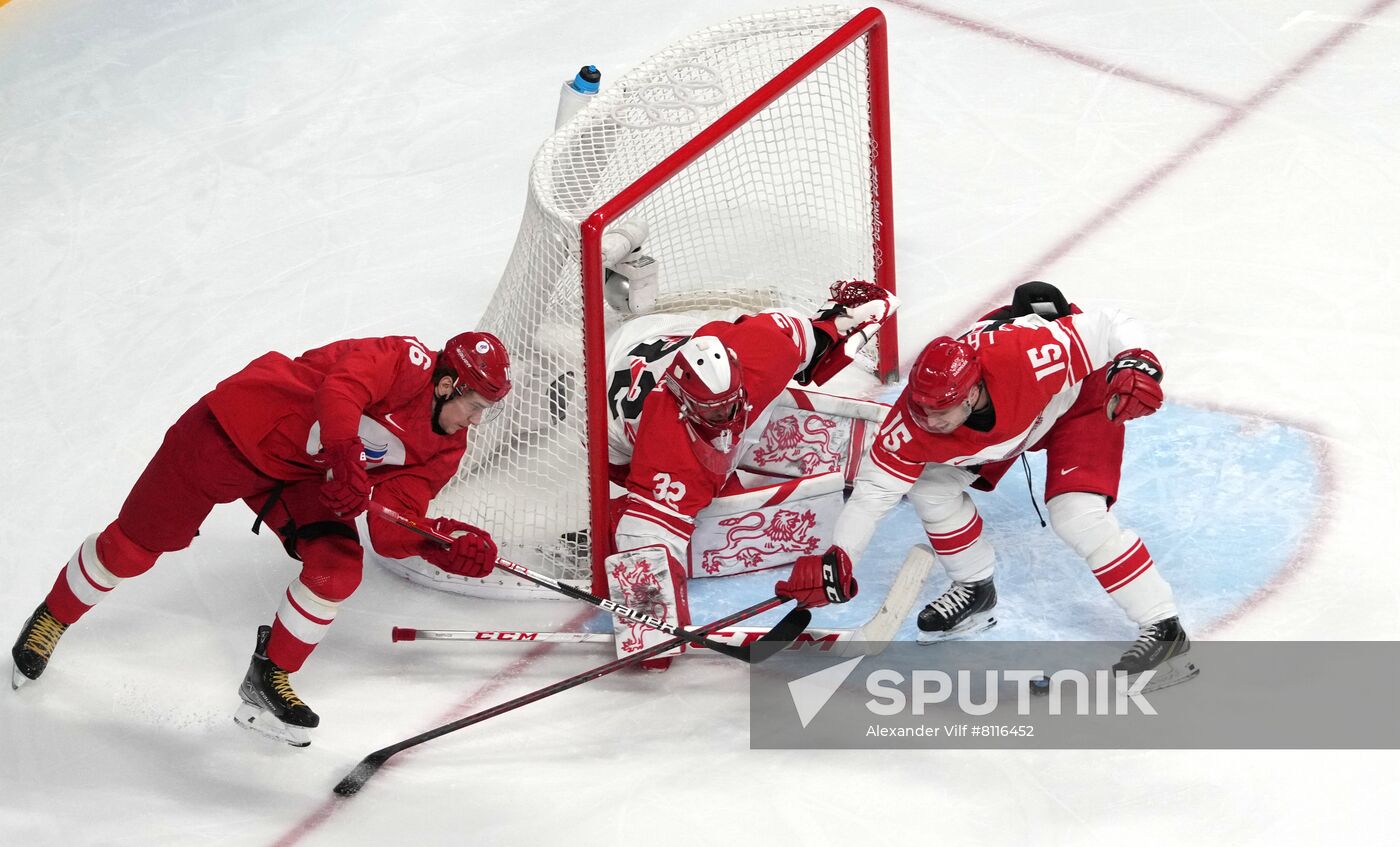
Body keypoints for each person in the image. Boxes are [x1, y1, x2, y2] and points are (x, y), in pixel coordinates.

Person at [9, 331, 512, 746]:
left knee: (336, 568)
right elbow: (341, 389)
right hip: (234, 433)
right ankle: (52, 616)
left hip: (305, 477)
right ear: (446, 384)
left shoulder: (445, 448)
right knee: (132, 549)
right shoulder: (406, 360)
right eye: (474, 405)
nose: (475, 420)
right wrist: (343, 453)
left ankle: (268, 678)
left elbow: (390, 526)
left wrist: (437, 543)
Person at [804, 281, 1196, 689]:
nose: (929, 421)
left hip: (1076, 402)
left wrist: (1136, 360)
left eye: (940, 411)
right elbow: (871, 496)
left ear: (971, 392)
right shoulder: (914, 419)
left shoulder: (1029, 355)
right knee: (929, 486)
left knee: (1076, 516)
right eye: (921, 408)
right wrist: (840, 556)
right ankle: (975, 590)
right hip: (1014, 421)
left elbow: (1112, 321)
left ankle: (1164, 630)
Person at [601, 280, 896, 668]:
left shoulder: (769, 345)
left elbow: (819, 333)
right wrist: (653, 630)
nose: (725, 420)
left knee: (749, 416)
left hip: (663, 334)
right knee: (684, 506)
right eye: (713, 414)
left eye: (729, 408)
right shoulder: (666, 448)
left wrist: (845, 320)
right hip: (611, 422)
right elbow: (645, 543)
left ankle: (736, 421)